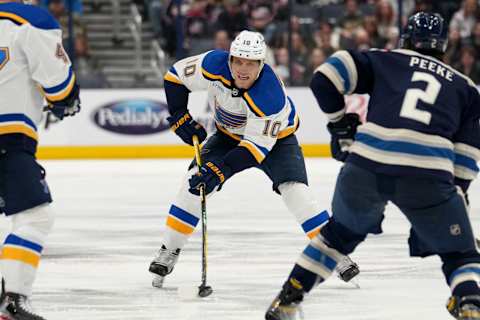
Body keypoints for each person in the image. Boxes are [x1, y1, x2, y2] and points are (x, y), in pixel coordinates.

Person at [265, 12, 480, 320]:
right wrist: (453, 202)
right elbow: (467, 156)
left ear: (404, 38)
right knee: (461, 254)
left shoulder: (385, 59)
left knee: (336, 237)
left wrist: (340, 124)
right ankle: (469, 304)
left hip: (365, 165)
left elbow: (325, 75)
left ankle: (287, 299)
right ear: (444, 45)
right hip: (427, 175)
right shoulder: (466, 87)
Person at [148, 30, 359, 288]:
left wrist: (220, 170)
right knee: (193, 184)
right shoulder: (214, 64)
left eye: (250, 63)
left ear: (261, 64)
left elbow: (254, 150)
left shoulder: (270, 97)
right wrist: (179, 114)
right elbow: (175, 76)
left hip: (278, 141)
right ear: (230, 59)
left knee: (296, 193)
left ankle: (334, 253)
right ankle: (169, 250)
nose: (243, 69)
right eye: (238, 61)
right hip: (227, 136)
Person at [0, 1, 81, 319]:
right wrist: (67, 99)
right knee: (35, 216)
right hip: (7, 138)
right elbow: (58, 83)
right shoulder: (28, 18)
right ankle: (13, 302)